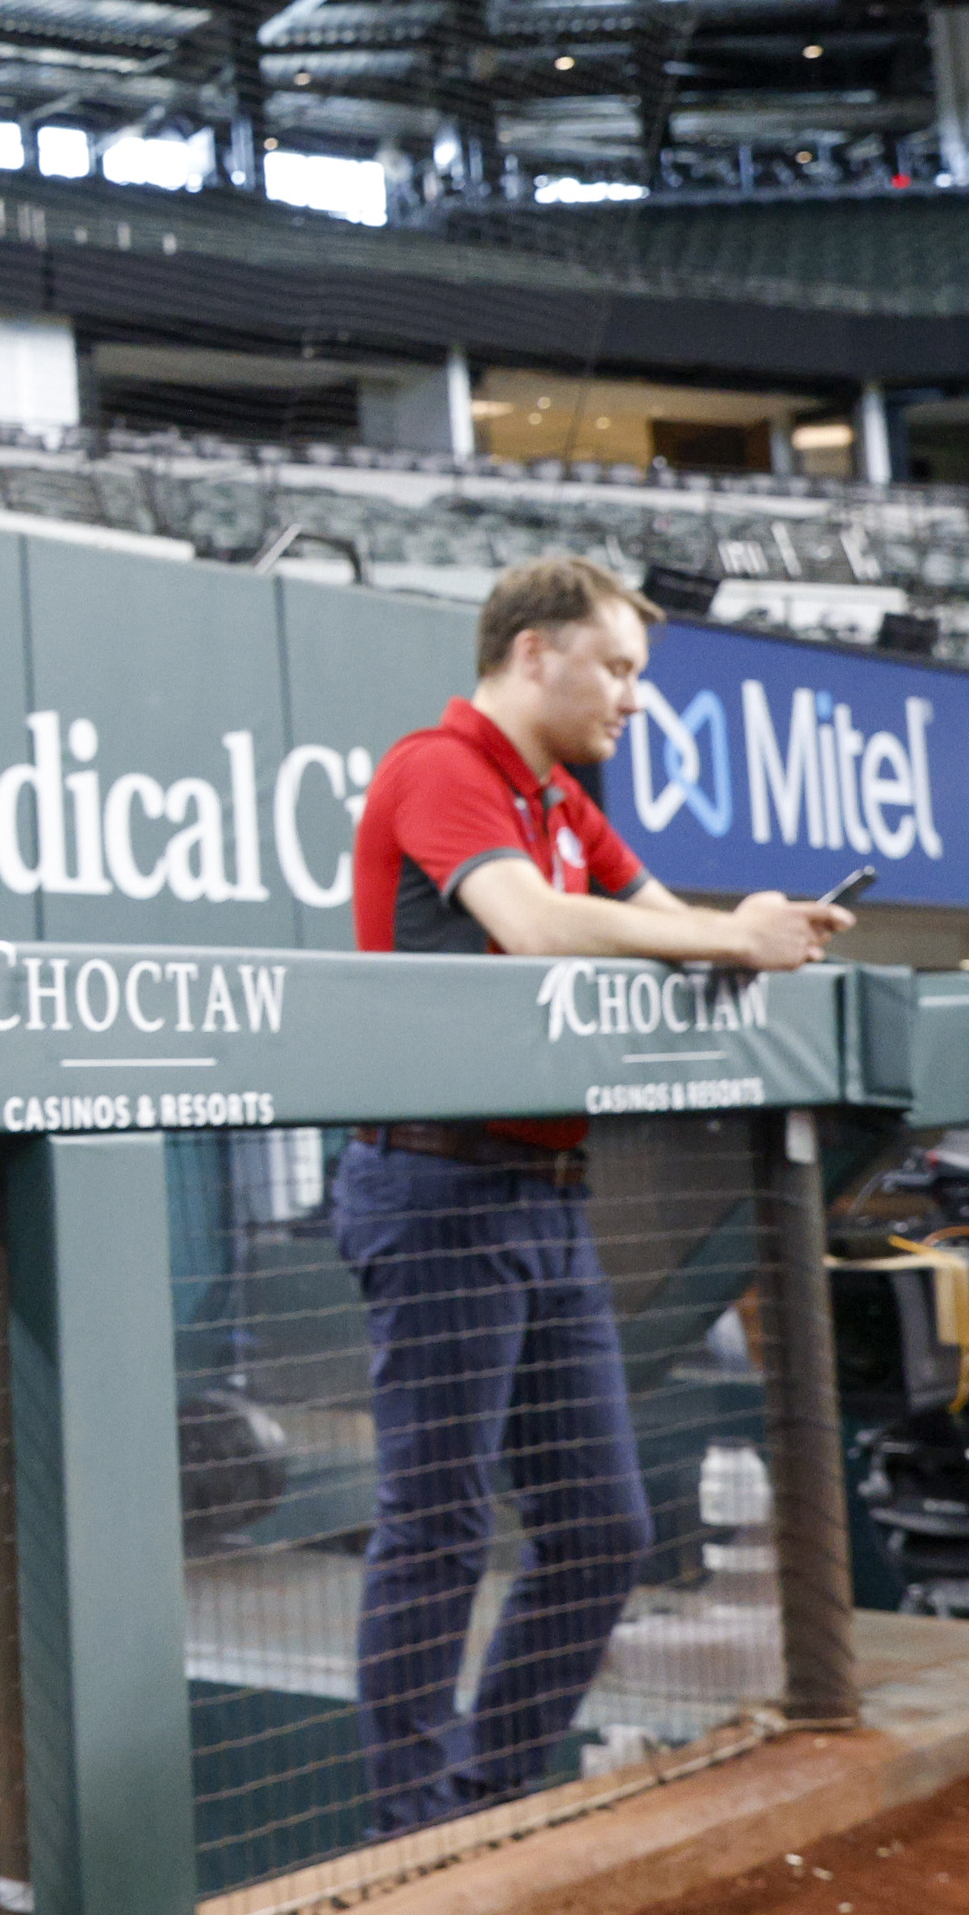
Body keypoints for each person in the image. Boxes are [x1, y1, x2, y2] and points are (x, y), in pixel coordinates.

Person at [342, 554, 849, 1837]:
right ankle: (411, 1825)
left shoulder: (563, 797)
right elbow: (538, 926)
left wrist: (760, 925)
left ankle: (486, 1796)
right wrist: (734, 933)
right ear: (532, 652)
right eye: (616, 667)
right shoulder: (439, 766)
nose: (634, 697)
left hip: (547, 1191)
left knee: (602, 1526)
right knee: (439, 1523)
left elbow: (664, 916)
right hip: (436, 1185)